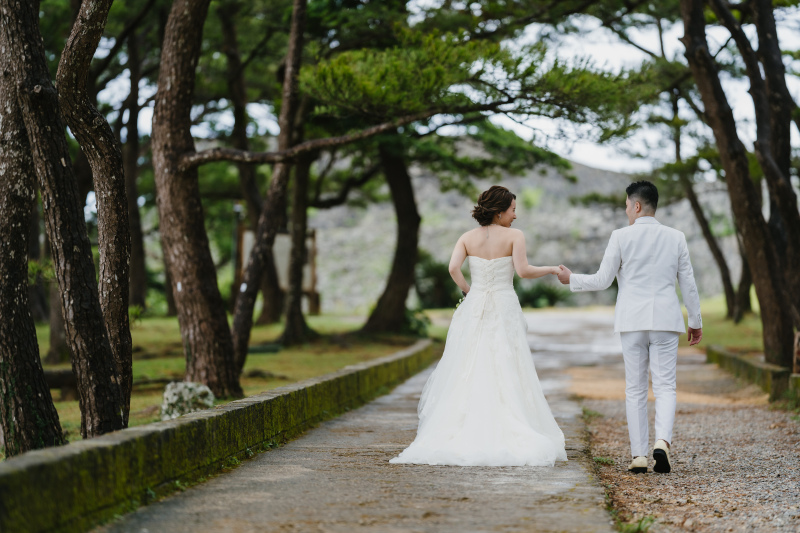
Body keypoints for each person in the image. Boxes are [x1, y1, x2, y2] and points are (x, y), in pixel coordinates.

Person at [390, 185, 567, 466]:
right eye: (512, 210)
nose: (515, 215)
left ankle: (464, 426)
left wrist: (469, 291)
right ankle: (508, 422)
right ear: (499, 212)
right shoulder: (515, 236)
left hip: (475, 306)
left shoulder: (466, 238)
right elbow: (523, 271)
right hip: (504, 305)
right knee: (507, 361)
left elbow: (453, 268)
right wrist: (552, 269)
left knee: (470, 362)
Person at [557, 180, 702, 474]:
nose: (626, 211)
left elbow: (602, 280)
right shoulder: (676, 237)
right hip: (665, 321)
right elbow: (688, 282)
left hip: (632, 321)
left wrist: (572, 279)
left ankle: (639, 456)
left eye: (626, 205)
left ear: (636, 206)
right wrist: (695, 322)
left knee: (635, 389)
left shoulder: (620, 237)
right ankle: (662, 442)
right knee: (665, 386)